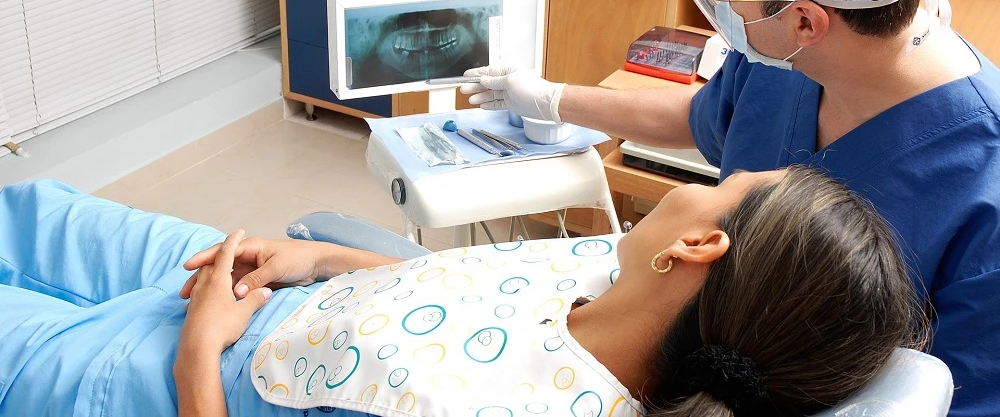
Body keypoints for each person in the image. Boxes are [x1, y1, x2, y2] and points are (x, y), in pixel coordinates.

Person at [461, 0, 1000, 414]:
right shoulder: (783, 58)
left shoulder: (984, 179)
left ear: (806, 21)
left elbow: (953, 398)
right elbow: (705, 116)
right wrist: (554, 98)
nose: (718, 1)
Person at [0, 168, 924, 416]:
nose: (703, 181)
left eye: (725, 181)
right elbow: (453, 291)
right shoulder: (607, 274)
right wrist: (310, 260)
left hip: (181, 377)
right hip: (262, 286)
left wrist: (199, 348)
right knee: (37, 213)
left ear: (699, 242)